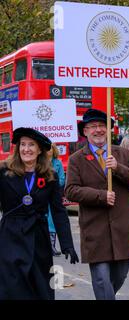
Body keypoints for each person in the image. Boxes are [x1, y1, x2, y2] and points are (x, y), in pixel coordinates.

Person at [65, 109, 129, 300]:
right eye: (93, 127)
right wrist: (100, 196)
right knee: (101, 279)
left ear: (108, 130)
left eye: (102, 126)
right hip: (95, 230)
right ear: (85, 132)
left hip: (121, 230)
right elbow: (71, 190)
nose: (98, 130)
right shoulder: (76, 159)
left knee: (120, 275)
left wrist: (118, 168)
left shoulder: (123, 154)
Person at [0, 128, 78, 300]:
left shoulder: (50, 176)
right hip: (10, 237)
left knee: (40, 287)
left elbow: (58, 211)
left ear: (40, 149)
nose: (26, 149)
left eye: (31, 145)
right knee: (12, 288)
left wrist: (67, 245)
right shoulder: (4, 172)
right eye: (23, 144)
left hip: (38, 238)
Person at [46, 143, 66, 256]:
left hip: (54, 196)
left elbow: (62, 179)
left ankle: (52, 246)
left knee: (52, 221)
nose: (48, 152)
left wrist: (54, 185)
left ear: (54, 151)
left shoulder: (57, 163)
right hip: (42, 197)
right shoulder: (40, 163)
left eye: (50, 150)